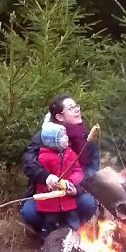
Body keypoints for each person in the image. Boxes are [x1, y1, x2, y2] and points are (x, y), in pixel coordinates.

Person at [20, 94, 99, 233]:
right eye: (71, 108)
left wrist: (76, 188)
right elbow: (28, 161)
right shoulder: (45, 136)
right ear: (59, 117)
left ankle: (75, 231)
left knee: (88, 204)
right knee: (29, 212)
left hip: (74, 190)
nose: (77, 110)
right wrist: (46, 177)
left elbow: (92, 170)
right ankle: (46, 233)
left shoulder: (87, 138)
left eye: (76, 106)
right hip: (46, 192)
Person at [35, 122, 83, 238]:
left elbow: (78, 170)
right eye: (62, 136)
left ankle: (73, 242)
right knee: (49, 225)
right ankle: (48, 244)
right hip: (49, 202)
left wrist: (71, 181)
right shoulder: (43, 158)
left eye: (65, 134)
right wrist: (50, 185)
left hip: (67, 199)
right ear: (52, 141)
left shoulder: (70, 154)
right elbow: (42, 180)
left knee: (72, 222)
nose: (66, 137)